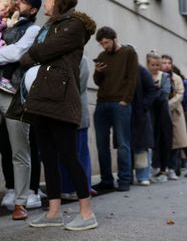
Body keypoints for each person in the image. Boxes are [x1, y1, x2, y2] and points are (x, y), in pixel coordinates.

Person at [15, 0, 98, 231]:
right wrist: (38, 53)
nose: (47, 3)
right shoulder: (47, 27)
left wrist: (39, 52)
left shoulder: (75, 26)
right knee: (47, 156)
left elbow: (41, 50)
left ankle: (86, 212)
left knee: (68, 155)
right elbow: (28, 55)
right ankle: (53, 212)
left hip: (62, 97)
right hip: (42, 96)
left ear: (58, 0)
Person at [0, 0, 42, 221]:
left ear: (34, 9)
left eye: (24, 0)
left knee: (20, 150)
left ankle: (21, 201)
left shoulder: (33, 29)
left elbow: (16, 54)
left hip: (15, 95)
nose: (18, 1)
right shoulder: (2, 21)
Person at [92, 26, 138, 192]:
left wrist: (126, 100)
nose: (104, 46)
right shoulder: (102, 56)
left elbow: (133, 78)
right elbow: (97, 82)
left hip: (120, 103)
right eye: (101, 43)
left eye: (106, 42)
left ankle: (125, 179)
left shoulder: (128, 53)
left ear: (114, 39)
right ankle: (106, 180)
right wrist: (97, 72)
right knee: (101, 144)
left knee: (123, 143)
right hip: (102, 103)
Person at [60, 56, 93, 199]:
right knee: (64, 154)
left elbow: (79, 86)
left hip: (77, 114)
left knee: (79, 153)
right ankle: (67, 187)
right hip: (63, 115)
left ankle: (82, 189)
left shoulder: (82, 60)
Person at [161, 55, 187, 177]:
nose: (166, 65)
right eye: (164, 62)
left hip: (176, 112)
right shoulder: (157, 76)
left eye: (169, 63)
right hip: (161, 113)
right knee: (167, 142)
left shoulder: (177, 78)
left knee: (182, 141)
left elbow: (180, 95)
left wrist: (166, 105)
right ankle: (170, 168)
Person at [146, 51, 173, 182]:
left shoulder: (165, 77)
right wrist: (155, 91)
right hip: (149, 112)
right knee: (151, 140)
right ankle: (151, 168)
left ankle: (164, 168)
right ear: (148, 64)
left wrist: (152, 92)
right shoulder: (145, 76)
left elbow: (165, 93)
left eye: (158, 65)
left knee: (164, 139)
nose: (156, 67)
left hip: (162, 112)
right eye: (153, 65)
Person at [131, 63, 158, 185]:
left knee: (141, 146)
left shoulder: (141, 71)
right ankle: (130, 175)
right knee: (128, 145)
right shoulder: (121, 69)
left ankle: (143, 175)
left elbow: (151, 90)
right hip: (128, 111)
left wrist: (143, 106)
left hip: (140, 113)